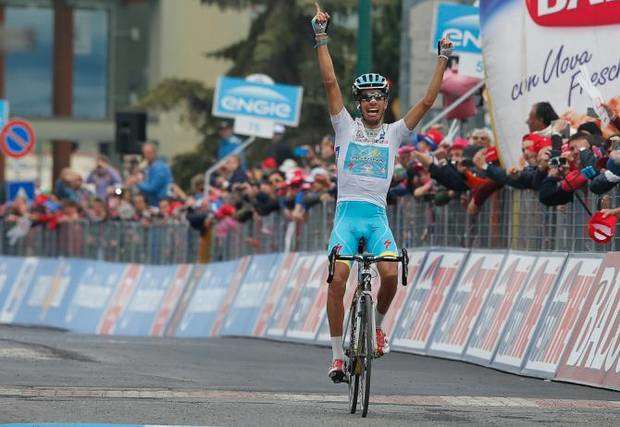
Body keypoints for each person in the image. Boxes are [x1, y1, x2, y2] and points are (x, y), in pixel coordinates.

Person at [312, 3, 453, 382]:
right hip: (347, 218)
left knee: (390, 275)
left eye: (379, 97)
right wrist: (321, 38)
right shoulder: (344, 126)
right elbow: (330, 84)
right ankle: (339, 356)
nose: (373, 102)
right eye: (366, 97)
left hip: (376, 219)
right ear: (359, 103)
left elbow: (425, 102)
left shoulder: (394, 133)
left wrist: (442, 59)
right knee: (338, 280)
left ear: (385, 102)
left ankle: (375, 327)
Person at [126, 142, 173, 207]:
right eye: (145, 153)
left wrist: (137, 182)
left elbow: (152, 188)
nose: (146, 155)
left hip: (162, 204)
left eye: (149, 153)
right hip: (152, 203)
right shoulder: (148, 167)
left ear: (154, 153)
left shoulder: (160, 168)